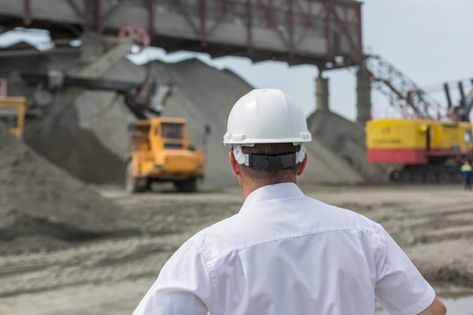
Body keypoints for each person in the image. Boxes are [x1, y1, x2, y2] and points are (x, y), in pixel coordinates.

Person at [134, 89, 446, 315]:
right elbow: (429, 310)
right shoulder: (364, 234)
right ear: (302, 162)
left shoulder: (207, 252)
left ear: (233, 162)